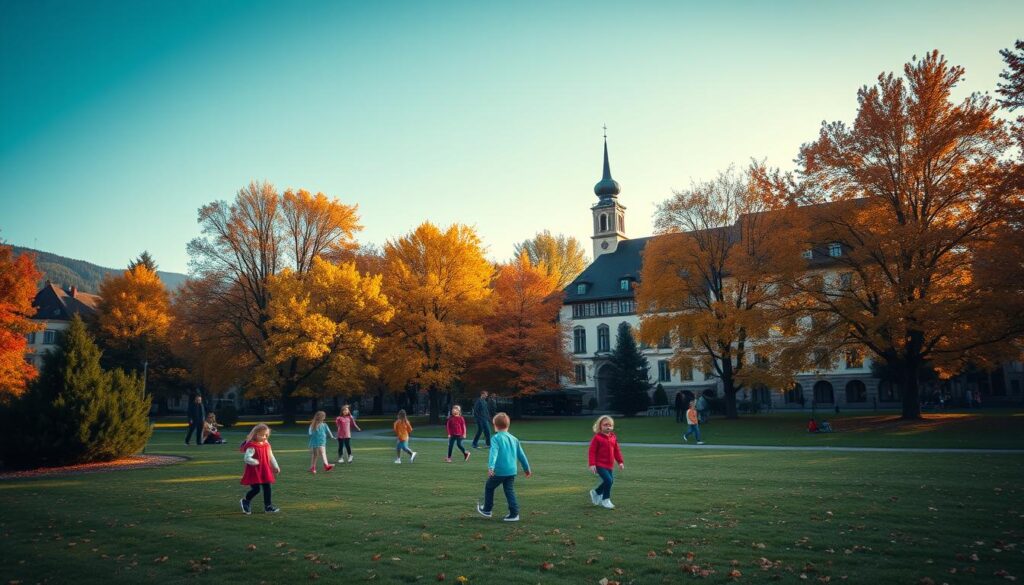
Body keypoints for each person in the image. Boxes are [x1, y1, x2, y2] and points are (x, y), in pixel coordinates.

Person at [475, 413, 531, 522]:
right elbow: (521, 455)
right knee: (509, 490)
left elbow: (493, 453)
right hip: (511, 471)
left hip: (500, 471)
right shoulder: (514, 439)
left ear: (495, 425)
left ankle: (487, 509)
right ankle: (514, 514)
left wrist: (491, 467)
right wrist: (526, 468)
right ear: (508, 425)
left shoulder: (496, 438)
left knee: (489, 487)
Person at [240, 423, 281, 514]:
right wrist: (255, 461)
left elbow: (270, 456)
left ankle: (268, 506)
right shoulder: (252, 446)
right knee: (256, 489)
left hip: (265, 469)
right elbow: (247, 458)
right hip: (254, 471)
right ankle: (245, 501)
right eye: (262, 435)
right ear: (255, 434)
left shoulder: (266, 444)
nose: (264, 437)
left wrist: (275, 465)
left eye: (266, 435)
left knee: (267, 487)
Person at [588, 415, 624, 509]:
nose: (608, 427)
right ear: (600, 426)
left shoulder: (613, 437)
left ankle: (596, 492)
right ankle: (605, 500)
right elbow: (591, 452)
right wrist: (592, 464)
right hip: (599, 464)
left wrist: (620, 462)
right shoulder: (597, 438)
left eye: (610, 425)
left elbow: (616, 450)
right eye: (605, 425)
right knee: (608, 480)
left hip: (609, 465)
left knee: (610, 481)